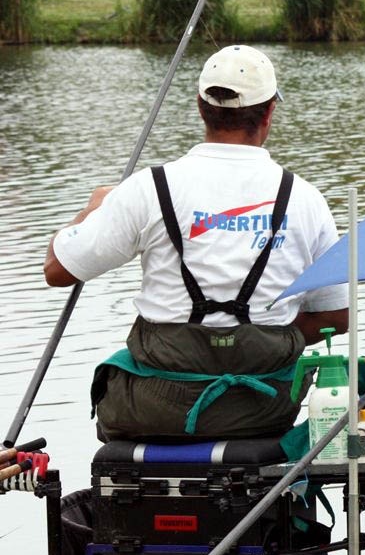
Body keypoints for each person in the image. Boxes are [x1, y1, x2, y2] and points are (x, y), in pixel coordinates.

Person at [44, 45, 349, 442]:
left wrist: (92, 208)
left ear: (201, 107)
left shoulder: (148, 189)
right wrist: (255, 337)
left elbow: (57, 270)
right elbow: (335, 318)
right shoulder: (306, 199)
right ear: (270, 111)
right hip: (263, 410)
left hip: (155, 410)